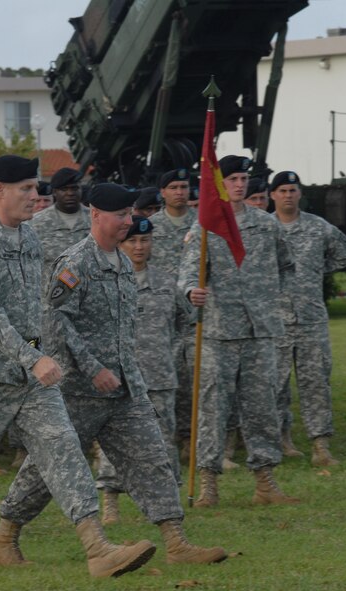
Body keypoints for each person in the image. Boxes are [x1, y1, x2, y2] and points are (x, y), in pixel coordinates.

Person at [0, 157, 156, 582]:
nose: (35, 196)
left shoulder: (28, 235)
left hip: (30, 373)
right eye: (25, 188)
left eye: (34, 187)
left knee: (62, 446)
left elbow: (33, 306)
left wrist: (36, 356)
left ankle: (97, 548)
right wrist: (34, 357)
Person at [0, 182, 226, 572]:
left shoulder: (120, 262)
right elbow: (55, 321)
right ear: (97, 215)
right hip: (78, 391)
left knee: (152, 457)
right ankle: (4, 536)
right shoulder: (75, 263)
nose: (128, 222)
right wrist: (92, 366)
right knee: (46, 470)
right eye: (120, 215)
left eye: (130, 214)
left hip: (125, 389)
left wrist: (121, 372)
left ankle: (176, 541)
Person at [179, 155, 300, 507]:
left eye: (243, 178)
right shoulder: (206, 227)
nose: (239, 184)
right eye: (232, 178)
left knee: (262, 408)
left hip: (260, 331)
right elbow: (187, 274)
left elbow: (287, 266)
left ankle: (266, 483)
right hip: (219, 332)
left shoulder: (266, 225)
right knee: (212, 409)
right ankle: (208, 486)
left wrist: (271, 301)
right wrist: (192, 291)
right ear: (219, 183)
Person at [95, 215, 190, 524]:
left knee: (163, 441)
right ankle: (110, 502)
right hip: (118, 380)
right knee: (113, 442)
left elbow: (183, 322)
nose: (139, 246)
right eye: (132, 240)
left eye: (144, 241)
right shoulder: (104, 280)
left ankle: (169, 503)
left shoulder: (165, 282)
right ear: (120, 244)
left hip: (159, 377)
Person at [269, 170, 346, 466]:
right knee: (274, 385)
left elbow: (344, 255)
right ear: (272, 196)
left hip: (311, 319)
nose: (288, 195)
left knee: (316, 382)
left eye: (292, 190)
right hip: (275, 322)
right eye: (282, 191)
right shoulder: (263, 228)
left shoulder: (319, 228)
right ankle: (281, 439)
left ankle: (320, 444)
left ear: (300, 194)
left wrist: (315, 271)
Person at [149, 168, 198, 462]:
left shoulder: (203, 225)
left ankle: (193, 442)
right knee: (169, 385)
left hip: (196, 319)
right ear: (163, 193)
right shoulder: (149, 228)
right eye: (174, 187)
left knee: (197, 384)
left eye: (184, 186)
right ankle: (170, 442)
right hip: (161, 323)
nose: (180, 191)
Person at [29, 167, 91, 286]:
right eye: (64, 189)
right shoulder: (37, 223)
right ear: (54, 192)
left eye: (75, 188)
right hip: (52, 299)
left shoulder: (96, 220)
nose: (70, 193)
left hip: (91, 298)